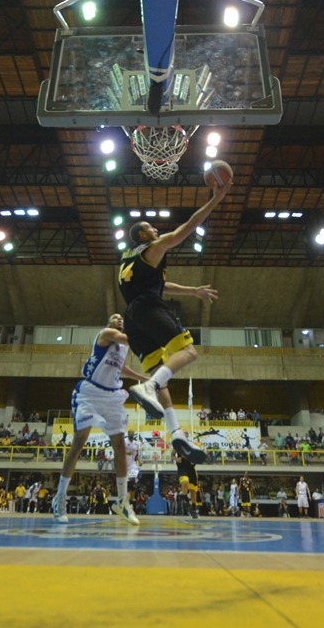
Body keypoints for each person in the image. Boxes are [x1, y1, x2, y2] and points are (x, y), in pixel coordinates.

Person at [120, 179, 232, 465]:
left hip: (133, 318)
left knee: (162, 378)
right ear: (142, 234)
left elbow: (159, 286)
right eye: (150, 227)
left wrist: (193, 291)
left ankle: (176, 433)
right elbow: (188, 228)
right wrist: (216, 198)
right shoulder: (152, 247)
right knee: (189, 352)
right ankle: (148, 387)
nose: (156, 230)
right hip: (149, 309)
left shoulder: (128, 258)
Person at [51, 314, 148, 526]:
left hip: (112, 396)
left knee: (120, 446)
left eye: (122, 318)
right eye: (115, 317)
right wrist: (152, 329)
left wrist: (143, 378)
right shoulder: (107, 334)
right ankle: (60, 498)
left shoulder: (123, 347)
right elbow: (129, 338)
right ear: (109, 322)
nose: (119, 319)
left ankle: (122, 501)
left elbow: (121, 369)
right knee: (79, 442)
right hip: (91, 394)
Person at [175, 453, 200, 519]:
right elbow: (172, 454)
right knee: (185, 482)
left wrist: (194, 461)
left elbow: (198, 456)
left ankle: (194, 509)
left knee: (193, 491)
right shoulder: (178, 447)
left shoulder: (193, 447)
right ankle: (186, 499)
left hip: (191, 469)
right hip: (182, 468)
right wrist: (176, 459)